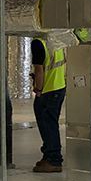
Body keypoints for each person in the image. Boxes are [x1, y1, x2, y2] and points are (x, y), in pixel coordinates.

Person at [31, 37, 66, 172]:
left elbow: (39, 70)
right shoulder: (56, 39)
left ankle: (53, 159)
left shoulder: (38, 43)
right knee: (51, 123)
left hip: (48, 89)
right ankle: (48, 155)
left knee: (47, 125)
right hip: (59, 87)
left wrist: (38, 89)